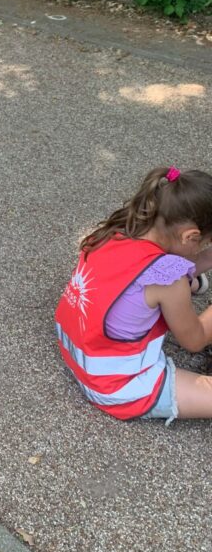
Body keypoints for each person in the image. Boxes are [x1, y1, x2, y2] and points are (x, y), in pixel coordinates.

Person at [55, 165, 212, 423]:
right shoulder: (169, 279)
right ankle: (191, 283)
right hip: (118, 386)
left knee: (167, 278)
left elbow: (145, 271)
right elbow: (194, 340)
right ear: (190, 236)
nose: (202, 249)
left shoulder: (118, 230)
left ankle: (193, 282)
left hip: (81, 354)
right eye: (203, 244)